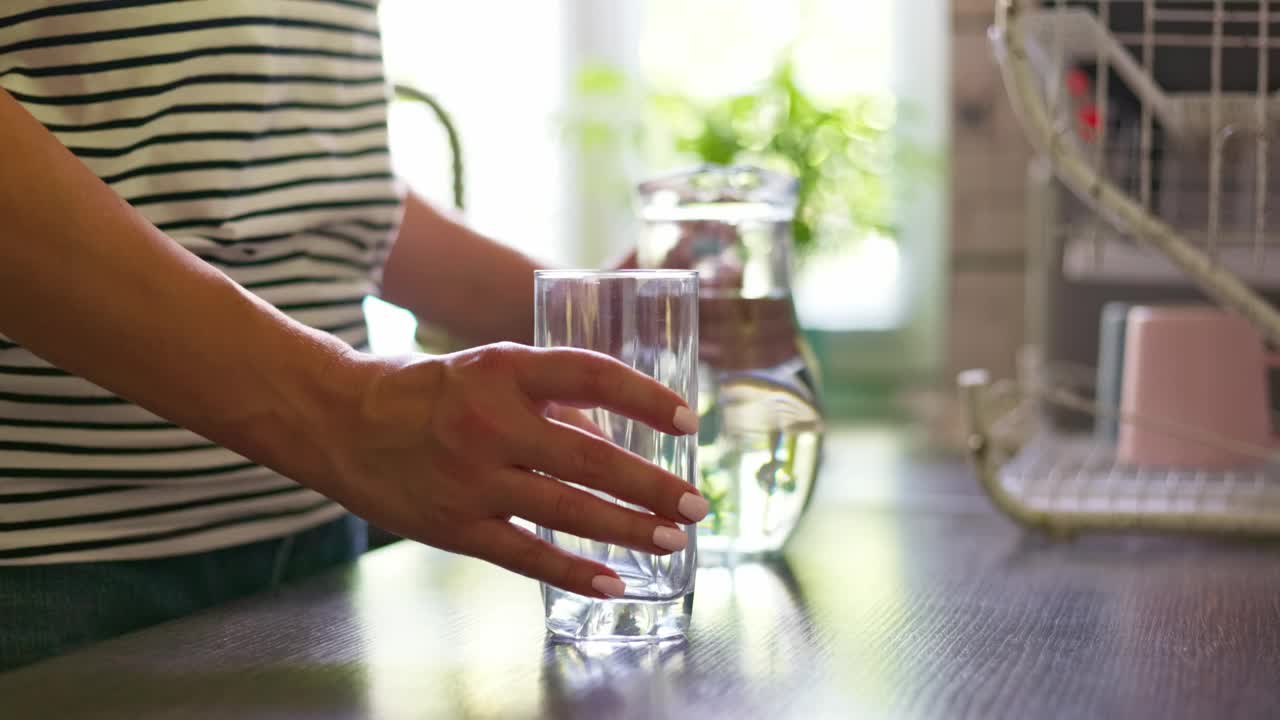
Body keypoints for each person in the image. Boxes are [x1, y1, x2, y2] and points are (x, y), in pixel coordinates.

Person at [0, 1, 708, 671]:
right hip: (49, 568)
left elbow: (309, 183)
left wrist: (594, 319)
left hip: (315, 551)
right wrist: (343, 405)